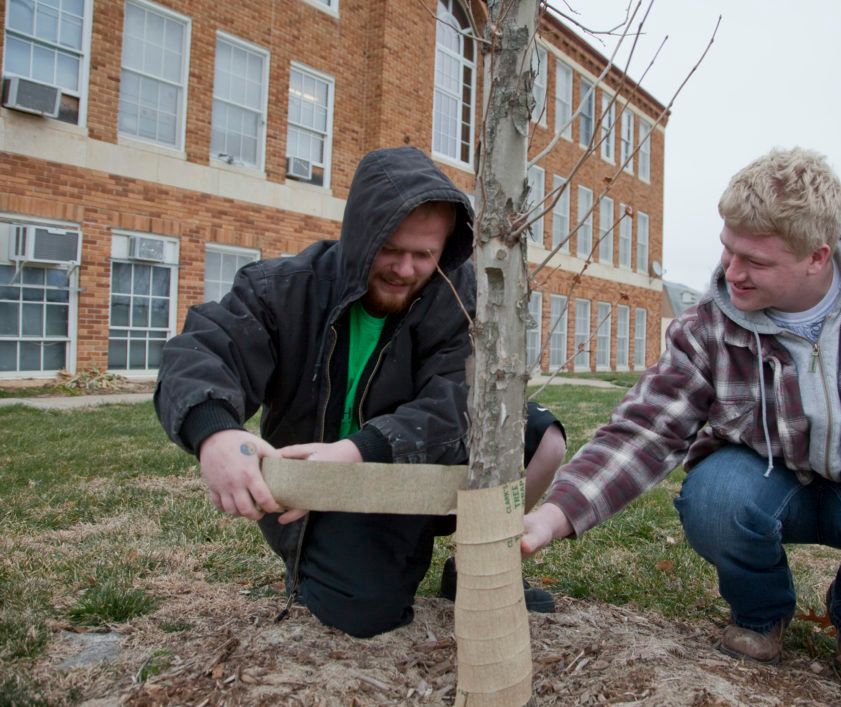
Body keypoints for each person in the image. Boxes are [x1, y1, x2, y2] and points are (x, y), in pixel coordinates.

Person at [522, 147, 841, 693]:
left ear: (817, 257)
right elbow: (649, 426)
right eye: (728, 250)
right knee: (713, 498)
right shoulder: (710, 322)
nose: (732, 273)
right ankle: (760, 615)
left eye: (756, 261)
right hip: (766, 480)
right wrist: (559, 512)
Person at [155, 146, 565, 638]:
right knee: (364, 613)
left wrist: (359, 450)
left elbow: (455, 401)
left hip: (410, 460)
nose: (406, 269)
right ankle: (318, 561)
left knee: (543, 438)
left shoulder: (453, 294)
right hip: (325, 492)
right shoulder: (282, 289)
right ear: (359, 234)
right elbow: (203, 350)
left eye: (425, 255)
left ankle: (476, 566)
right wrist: (214, 433)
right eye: (390, 250)